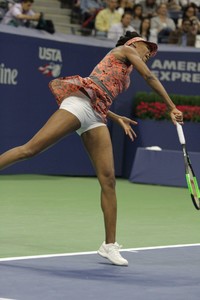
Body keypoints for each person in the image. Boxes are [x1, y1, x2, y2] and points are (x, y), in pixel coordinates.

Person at [0, 31, 183, 266]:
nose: (149, 54)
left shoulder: (125, 70)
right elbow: (148, 77)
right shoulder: (125, 51)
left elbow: (103, 95)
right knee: (30, 150)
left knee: (108, 180)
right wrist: (171, 106)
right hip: (79, 104)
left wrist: (116, 117)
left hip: (97, 115)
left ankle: (109, 246)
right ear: (135, 43)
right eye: (147, 49)